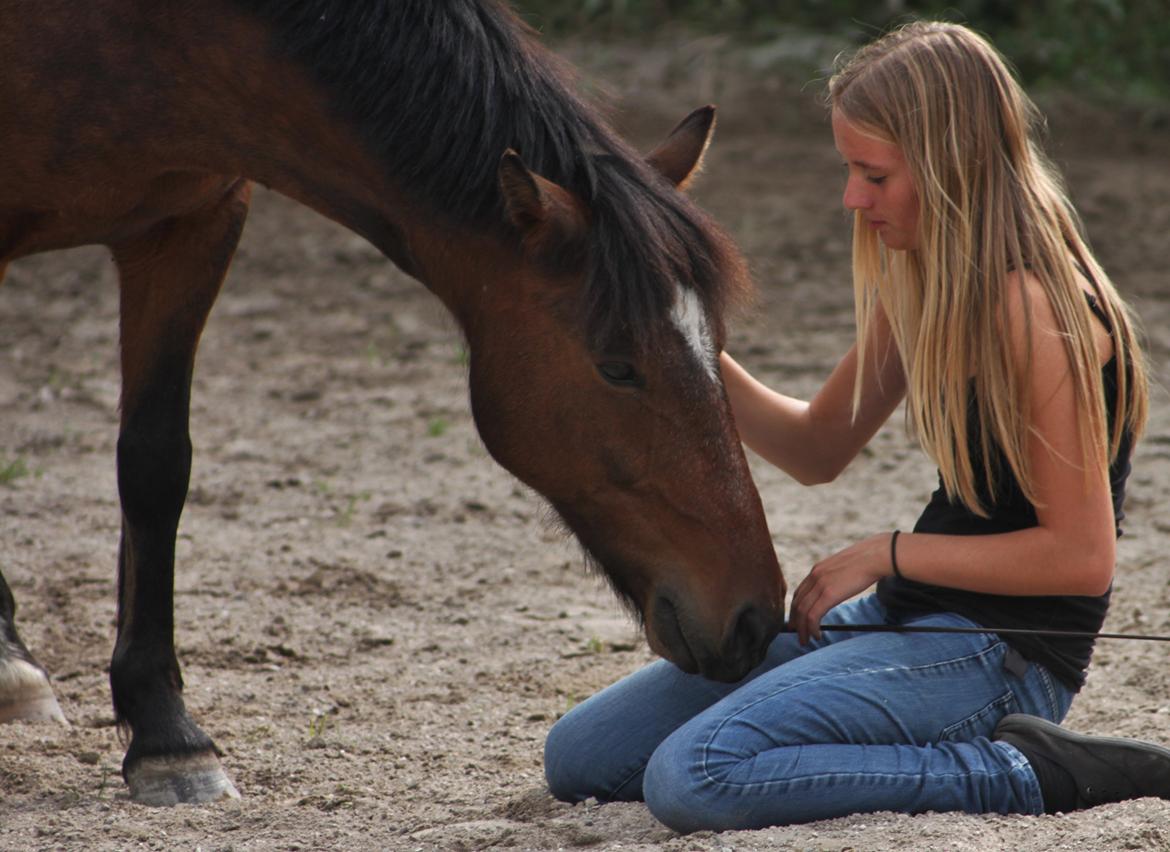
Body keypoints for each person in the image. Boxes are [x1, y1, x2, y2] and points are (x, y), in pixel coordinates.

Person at [543, 21, 1170, 832]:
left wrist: (886, 553)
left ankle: (1024, 769)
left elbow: (1081, 559)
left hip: (1000, 655)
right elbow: (816, 446)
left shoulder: (1035, 309)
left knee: (696, 776)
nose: (852, 198)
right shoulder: (933, 278)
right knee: (583, 757)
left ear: (953, 167)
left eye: (873, 173)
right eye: (850, 169)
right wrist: (672, 337)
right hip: (907, 620)